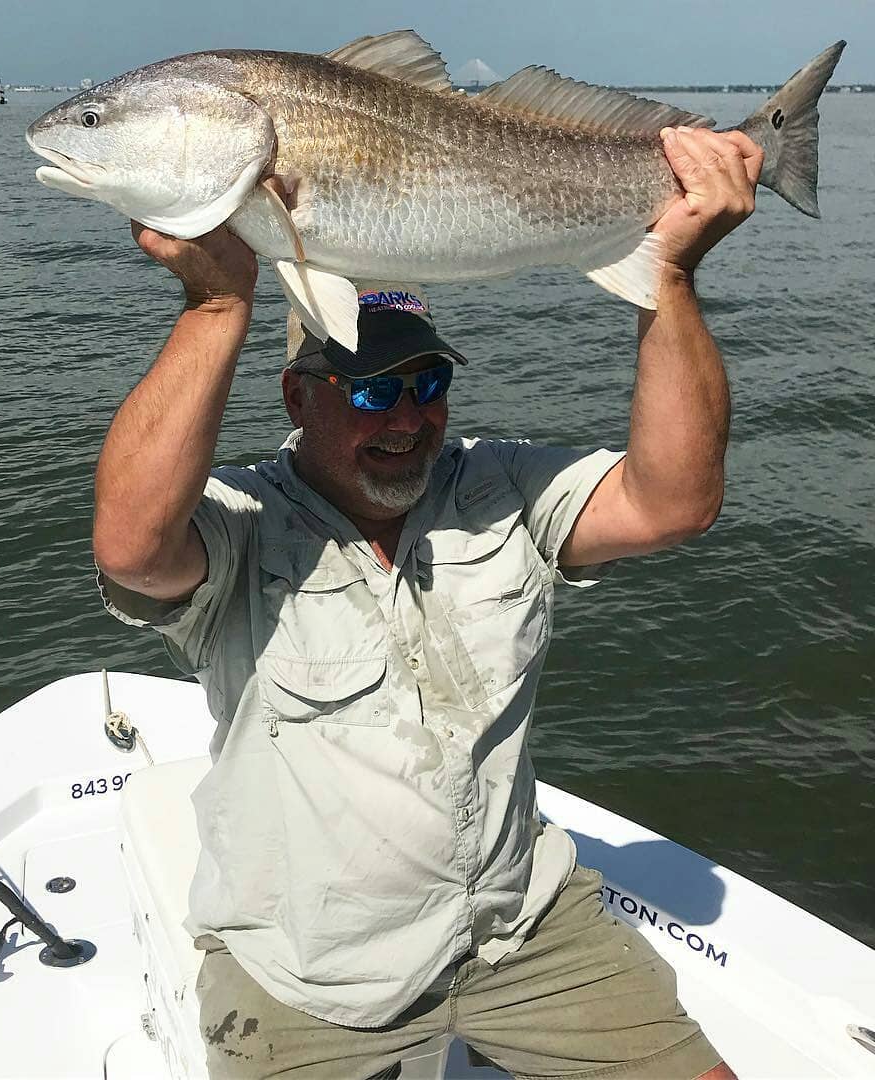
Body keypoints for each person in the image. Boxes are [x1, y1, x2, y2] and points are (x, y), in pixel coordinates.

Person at [93, 126, 763, 1080]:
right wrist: (215, 304)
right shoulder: (243, 524)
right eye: (367, 388)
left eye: (426, 381)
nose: (405, 417)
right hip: (308, 979)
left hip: (520, 931)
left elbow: (675, 501)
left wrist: (672, 274)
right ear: (298, 397)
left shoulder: (502, 489)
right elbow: (131, 546)